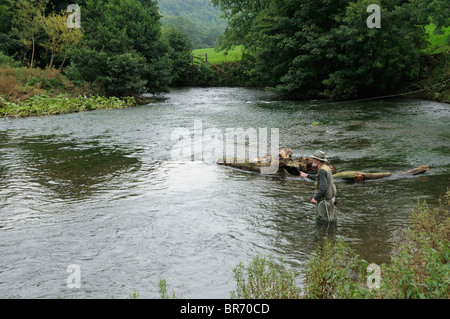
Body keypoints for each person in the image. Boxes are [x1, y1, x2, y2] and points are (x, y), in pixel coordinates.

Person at [300, 150, 337, 223]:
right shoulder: (325, 167)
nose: (312, 160)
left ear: (318, 160)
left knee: (320, 221)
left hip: (324, 202)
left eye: (314, 159)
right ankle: (330, 233)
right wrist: (307, 175)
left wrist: (315, 198)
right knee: (330, 221)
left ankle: (321, 234)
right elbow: (318, 178)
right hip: (331, 200)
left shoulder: (322, 171)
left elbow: (323, 188)